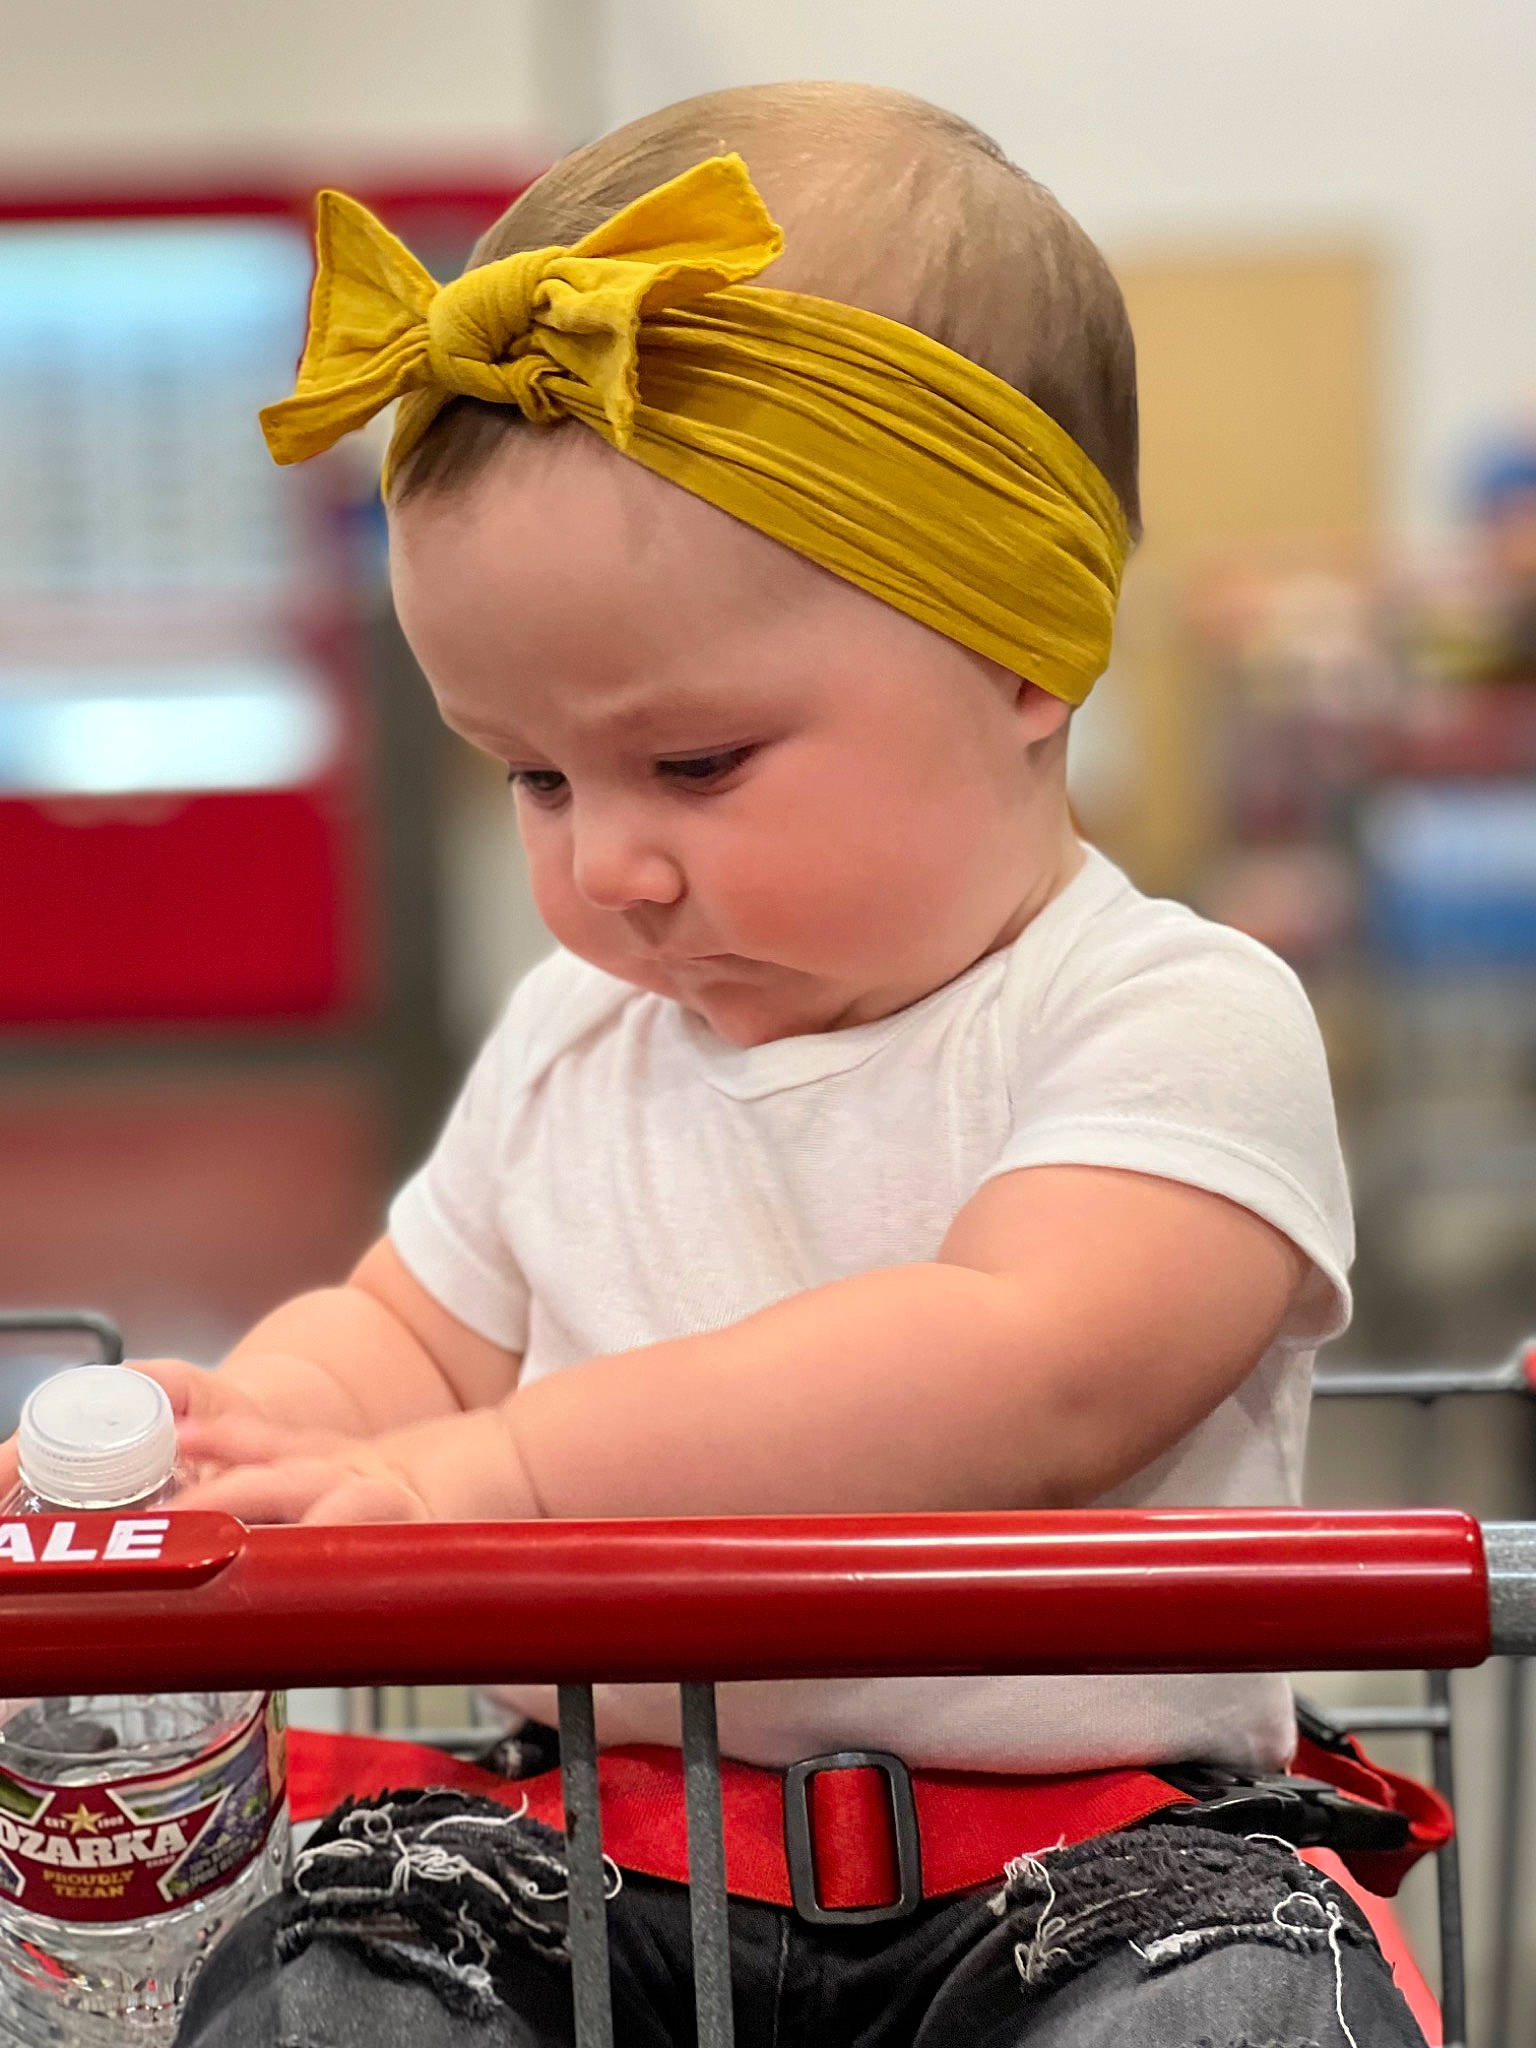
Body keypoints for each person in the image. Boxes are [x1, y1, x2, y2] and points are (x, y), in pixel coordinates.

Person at [5, 81, 1429, 2048]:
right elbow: (414, 1337)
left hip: (1100, 1873)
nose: (607, 863)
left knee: (1239, 2005)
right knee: (339, 1971)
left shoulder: (1168, 1013)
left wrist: (489, 1479)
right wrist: (262, 1450)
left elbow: (1025, 1371)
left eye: (694, 764)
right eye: (533, 773)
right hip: (589, 1837)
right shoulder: (579, 1041)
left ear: (1023, 652)